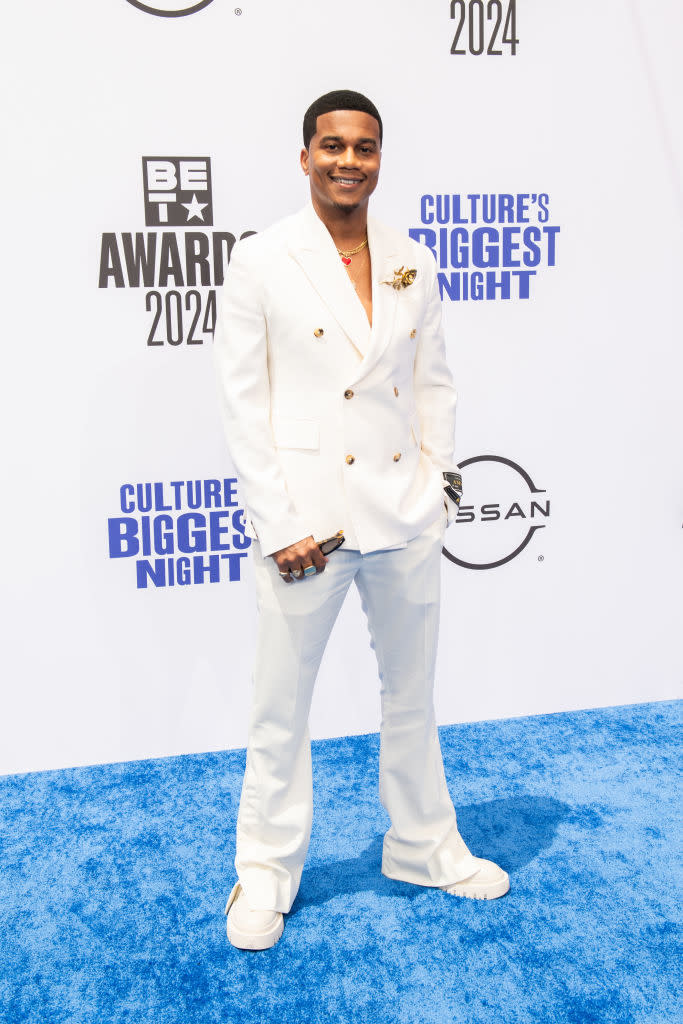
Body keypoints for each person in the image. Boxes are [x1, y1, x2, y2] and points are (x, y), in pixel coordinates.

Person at [213, 89, 509, 951]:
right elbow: (243, 405)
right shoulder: (263, 260)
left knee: (411, 697)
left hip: (403, 514)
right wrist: (278, 524)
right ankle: (265, 873)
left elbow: (432, 384)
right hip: (307, 526)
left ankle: (421, 845)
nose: (350, 161)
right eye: (333, 145)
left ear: (381, 158)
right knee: (281, 709)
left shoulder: (412, 259)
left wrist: (441, 488)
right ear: (304, 156)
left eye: (366, 147)